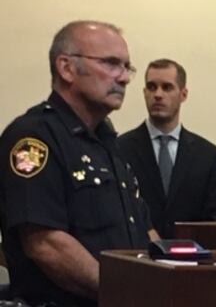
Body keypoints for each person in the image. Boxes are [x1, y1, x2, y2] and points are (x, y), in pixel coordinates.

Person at [0, 21, 156, 306]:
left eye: (127, 67)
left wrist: (173, 279)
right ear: (66, 67)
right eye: (111, 63)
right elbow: (46, 244)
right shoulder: (34, 138)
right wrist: (125, 294)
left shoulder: (108, 143)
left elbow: (143, 230)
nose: (124, 78)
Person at [117, 59, 216, 239]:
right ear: (144, 93)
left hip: (192, 254)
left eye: (167, 87)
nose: (158, 94)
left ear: (183, 94)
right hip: (136, 253)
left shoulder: (208, 156)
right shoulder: (119, 150)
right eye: (152, 87)